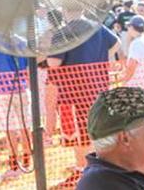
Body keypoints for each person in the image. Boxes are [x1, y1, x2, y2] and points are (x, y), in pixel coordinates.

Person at [47, 18, 120, 171]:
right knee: (96, 129)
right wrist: (101, 59)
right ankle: (87, 165)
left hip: (73, 92)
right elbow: (116, 43)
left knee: (79, 133)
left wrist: (45, 54)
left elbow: (53, 63)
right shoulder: (97, 27)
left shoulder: (63, 33)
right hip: (98, 87)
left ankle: (86, 167)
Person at [0, 45, 32, 181]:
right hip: (22, 89)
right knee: (25, 127)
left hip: (2, 93)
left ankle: (14, 167)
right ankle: (27, 163)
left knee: (9, 130)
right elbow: (29, 69)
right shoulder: (20, 42)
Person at [118, 15, 144, 91]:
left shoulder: (136, 43)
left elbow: (132, 65)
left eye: (129, 26)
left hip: (136, 83)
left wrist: (125, 80)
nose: (128, 29)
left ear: (132, 27)